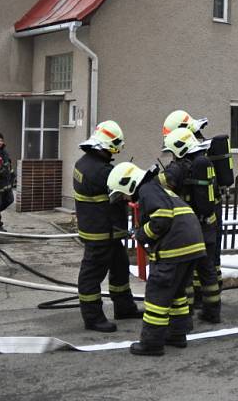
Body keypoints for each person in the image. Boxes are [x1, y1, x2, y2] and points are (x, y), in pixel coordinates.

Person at [108, 161, 206, 356]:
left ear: (129, 183)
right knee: (176, 293)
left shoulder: (146, 190)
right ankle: (177, 335)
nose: (125, 199)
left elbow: (162, 218)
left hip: (175, 248)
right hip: (192, 245)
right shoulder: (155, 188)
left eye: (123, 193)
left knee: (157, 295)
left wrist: (142, 234)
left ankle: (151, 343)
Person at [74, 121, 142, 333]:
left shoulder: (82, 163)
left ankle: (124, 307)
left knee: (120, 268)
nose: (116, 150)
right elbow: (123, 192)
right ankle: (93, 317)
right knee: (91, 275)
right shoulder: (102, 171)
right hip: (102, 231)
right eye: (114, 146)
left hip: (100, 229)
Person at [162, 127, 222, 323]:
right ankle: (212, 312)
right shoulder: (204, 163)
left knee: (185, 274)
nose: (171, 157)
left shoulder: (180, 168)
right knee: (208, 271)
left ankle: (185, 315)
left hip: (191, 228)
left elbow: (162, 186)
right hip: (209, 225)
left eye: (172, 152)